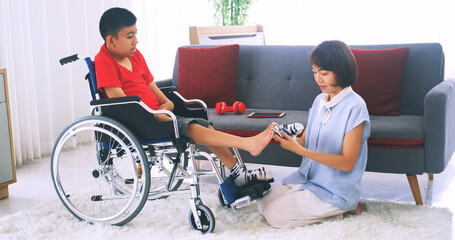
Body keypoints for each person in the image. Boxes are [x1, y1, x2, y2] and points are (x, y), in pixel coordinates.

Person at [94, 7, 274, 187]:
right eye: (129, 36)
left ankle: (237, 172)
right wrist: (153, 114)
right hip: (140, 123)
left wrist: (164, 106)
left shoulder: (135, 56)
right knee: (190, 128)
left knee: (205, 126)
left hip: (159, 116)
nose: (136, 40)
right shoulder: (104, 62)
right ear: (111, 41)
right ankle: (248, 144)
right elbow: (123, 104)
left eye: (135, 34)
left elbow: (160, 94)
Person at [258, 40, 371, 228]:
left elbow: (347, 162)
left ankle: (344, 206)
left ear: (342, 71)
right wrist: (288, 139)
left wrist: (300, 151)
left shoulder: (356, 107)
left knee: (274, 216)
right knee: (263, 205)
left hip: (334, 189)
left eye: (324, 73)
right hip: (308, 179)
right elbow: (306, 140)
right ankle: (324, 205)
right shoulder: (319, 100)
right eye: (315, 72)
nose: (318, 79)